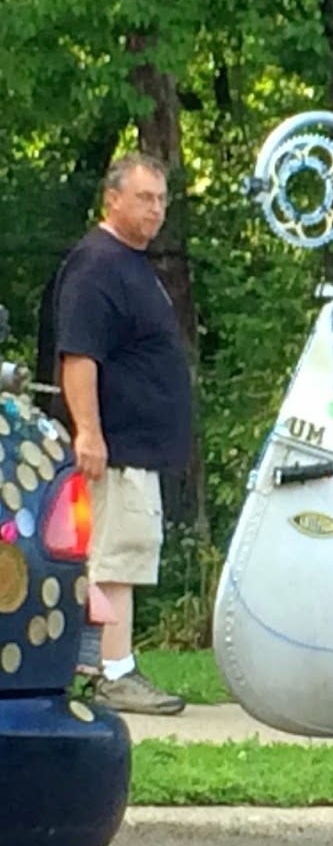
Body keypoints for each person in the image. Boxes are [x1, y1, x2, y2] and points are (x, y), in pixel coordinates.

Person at [37, 153, 192, 715]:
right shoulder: (97, 266)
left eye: (161, 200)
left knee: (120, 555)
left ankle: (93, 664)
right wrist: (89, 433)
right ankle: (114, 670)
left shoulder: (129, 265)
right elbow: (79, 355)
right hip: (116, 448)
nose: (155, 210)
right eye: (144, 198)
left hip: (135, 448)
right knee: (115, 558)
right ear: (112, 199)